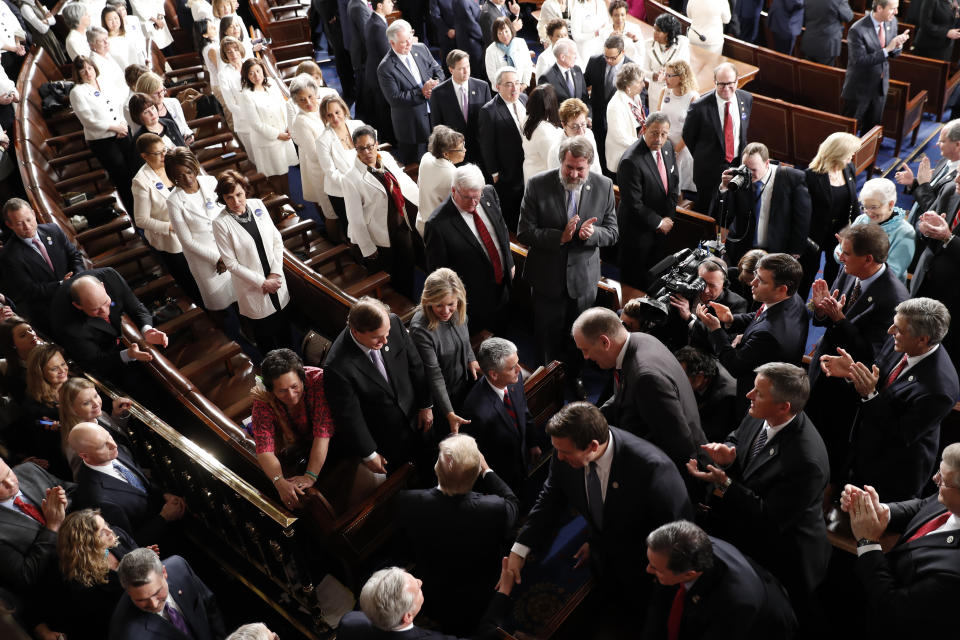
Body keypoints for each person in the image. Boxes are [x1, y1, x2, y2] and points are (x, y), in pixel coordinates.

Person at [507, 402, 692, 608]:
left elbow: (677, 538)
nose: (557, 457)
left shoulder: (654, 471)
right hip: (600, 558)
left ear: (593, 446)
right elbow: (550, 499)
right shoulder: (565, 453)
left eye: (564, 452)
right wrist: (520, 548)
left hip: (642, 571)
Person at [687, 362, 830, 627]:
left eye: (758, 393)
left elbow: (770, 517)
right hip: (748, 533)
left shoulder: (806, 460)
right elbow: (737, 438)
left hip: (784, 557)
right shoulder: (762, 414)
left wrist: (727, 483)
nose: (749, 396)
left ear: (783, 407)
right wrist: (728, 453)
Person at [821, 297, 960, 501]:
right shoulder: (903, 339)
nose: (890, 331)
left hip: (890, 476)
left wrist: (869, 394)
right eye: (894, 324)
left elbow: (899, 433)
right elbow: (880, 378)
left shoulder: (939, 389)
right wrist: (854, 373)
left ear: (923, 339)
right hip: (861, 452)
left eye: (899, 329)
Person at [807, 224, 909, 484]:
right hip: (821, 369)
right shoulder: (849, 270)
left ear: (868, 259)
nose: (840, 257)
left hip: (844, 393)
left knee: (827, 450)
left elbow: (871, 355)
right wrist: (821, 310)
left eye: (847, 253)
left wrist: (839, 319)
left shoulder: (893, 299)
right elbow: (826, 316)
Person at [518, 136, 618, 386]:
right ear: (561, 161)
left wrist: (592, 234)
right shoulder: (537, 184)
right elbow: (524, 232)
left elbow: (613, 232)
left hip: (583, 280)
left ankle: (575, 378)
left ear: (589, 165)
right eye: (569, 167)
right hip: (547, 278)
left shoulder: (604, 185)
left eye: (579, 168)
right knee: (546, 340)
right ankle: (546, 385)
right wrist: (559, 237)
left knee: (580, 339)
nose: (573, 174)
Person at [395, 434, 518, 635]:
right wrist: (486, 470)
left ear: (436, 468)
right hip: (485, 590)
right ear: (475, 474)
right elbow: (513, 502)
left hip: (437, 592)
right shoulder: (493, 508)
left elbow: (404, 545)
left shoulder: (407, 501)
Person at [839, 443, 960, 638]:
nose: (934, 478)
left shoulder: (953, 576)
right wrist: (883, 511)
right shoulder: (950, 497)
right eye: (939, 470)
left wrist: (867, 542)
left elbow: (892, 609)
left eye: (943, 481)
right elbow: (923, 505)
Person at [573, 307, 706, 478]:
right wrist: (592, 416)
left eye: (585, 350)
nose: (585, 357)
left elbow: (677, 442)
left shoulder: (646, 378)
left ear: (605, 342)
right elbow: (625, 392)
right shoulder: (640, 339)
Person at [324, 297, 432, 473]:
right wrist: (369, 454)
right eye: (376, 338)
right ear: (356, 332)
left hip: (417, 416)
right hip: (387, 436)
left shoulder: (394, 323)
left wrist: (426, 404)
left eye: (387, 334)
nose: (385, 342)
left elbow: (415, 364)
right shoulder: (337, 367)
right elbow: (349, 418)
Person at [642, 520, 798, 639]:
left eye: (655, 568)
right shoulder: (678, 549)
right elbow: (659, 607)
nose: (648, 569)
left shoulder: (734, 601)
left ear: (689, 574)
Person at [696, 253, 809, 412]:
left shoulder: (769, 335)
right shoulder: (793, 298)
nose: (752, 282)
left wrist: (715, 329)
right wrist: (731, 319)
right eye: (756, 274)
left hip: (757, 399)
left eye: (761, 280)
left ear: (782, 289)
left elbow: (734, 366)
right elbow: (760, 315)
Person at [424, 164, 514, 335]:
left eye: (477, 196)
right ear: (454, 191)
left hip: (502, 287)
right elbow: (438, 275)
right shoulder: (437, 225)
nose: (474, 203)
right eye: (467, 197)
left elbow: (501, 230)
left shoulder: (489, 193)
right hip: (472, 301)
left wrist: (509, 263)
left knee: (503, 336)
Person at [211, 171, 292, 356]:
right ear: (222, 199)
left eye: (239, 194)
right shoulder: (220, 223)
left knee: (286, 333)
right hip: (253, 287)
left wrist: (276, 273)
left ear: (245, 191)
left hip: (276, 278)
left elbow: (276, 240)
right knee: (268, 343)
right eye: (229, 197)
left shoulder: (257, 204)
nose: (236, 201)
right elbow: (231, 263)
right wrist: (263, 282)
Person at [69, 422, 186, 545]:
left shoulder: (112, 450)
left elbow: (139, 480)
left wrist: (163, 495)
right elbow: (129, 543)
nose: (113, 445)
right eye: (103, 446)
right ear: (85, 456)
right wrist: (164, 517)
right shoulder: (97, 499)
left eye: (109, 436)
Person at [250, 349, 334, 510]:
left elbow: (322, 433)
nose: (290, 395)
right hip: (299, 447)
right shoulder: (263, 401)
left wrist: (310, 476)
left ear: (302, 377)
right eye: (282, 391)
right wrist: (279, 481)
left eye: (294, 386)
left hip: (332, 439)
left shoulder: (318, 380)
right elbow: (264, 449)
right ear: (271, 390)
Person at [339, 563, 514, 640]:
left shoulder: (349, 621)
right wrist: (504, 591)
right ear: (407, 616)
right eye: (417, 588)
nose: (420, 581)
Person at [343, 125, 420, 298]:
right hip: (378, 233)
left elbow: (404, 181)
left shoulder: (385, 157)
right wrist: (367, 247)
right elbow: (354, 218)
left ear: (376, 144)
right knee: (389, 274)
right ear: (355, 149)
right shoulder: (350, 178)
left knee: (408, 265)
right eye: (361, 148)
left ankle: (408, 298)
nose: (367, 152)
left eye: (370, 146)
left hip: (401, 222)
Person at [50, 269, 169, 380]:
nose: (105, 312)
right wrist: (128, 354)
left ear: (103, 286)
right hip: (98, 354)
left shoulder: (110, 276)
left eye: (106, 303)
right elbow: (94, 361)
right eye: (96, 310)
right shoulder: (65, 322)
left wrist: (147, 330)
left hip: (115, 337)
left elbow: (137, 308)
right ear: (78, 306)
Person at [460, 337, 541, 496]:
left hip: (522, 456)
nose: (519, 369)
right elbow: (477, 456)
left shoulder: (515, 381)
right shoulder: (476, 411)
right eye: (512, 367)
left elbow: (524, 412)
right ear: (494, 375)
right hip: (502, 474)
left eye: (518, 362)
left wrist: (532, 443)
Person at [165, 147, 237, 314]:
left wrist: (228, 252)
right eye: (180, 175)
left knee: (241, 292)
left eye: (189, 172)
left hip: (229, 247)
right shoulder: (173, 201)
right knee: (222, 303)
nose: (188, 179)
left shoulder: (211, 182)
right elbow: (186, 241)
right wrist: (218, 259)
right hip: (205, 259)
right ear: (173, 176)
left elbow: (228, 213)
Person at [409, 269, 479, 435]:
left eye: (451, 304)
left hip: (462, 383)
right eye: (439, 305)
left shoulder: (458, 310)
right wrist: (449, 412)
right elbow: (434, 374)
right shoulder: (421, 329)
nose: (446, 311)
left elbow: (465, 339)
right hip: (440, 397)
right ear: (428, 301)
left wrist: (471, 358)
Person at [132, 133, 200, 303]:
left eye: (164, 150)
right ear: (144, 156)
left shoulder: (173, 165)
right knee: (191, 282)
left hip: (196, 229)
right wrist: (171, 226)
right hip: (172, 241)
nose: (164, 156)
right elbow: (141, 220)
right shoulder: (141, 181)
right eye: (158, 153)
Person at [720, 142, 812, 267]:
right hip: (742, 247)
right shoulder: (739, 176)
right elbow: (723, 214)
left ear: (767, 163)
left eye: (753, 170)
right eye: (745, 168)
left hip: (775, 249)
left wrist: (796, 248)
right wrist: (724, 189)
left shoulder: (792, 178)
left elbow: (802, 218)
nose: (748, 173)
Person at [615, 111, 679, 289]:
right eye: (654, 133)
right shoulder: (630, 160)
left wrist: (669, 217)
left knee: (655, 277)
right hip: (637, 233)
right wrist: (659, 222)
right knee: (634, 282)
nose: (659, 138)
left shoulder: (667, 148)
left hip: (661, 228)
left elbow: (673, 184)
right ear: (644, 129)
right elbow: (633, 204)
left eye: (664, 134)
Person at [53, 509, 137, 640]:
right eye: (102, 532)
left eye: (106, 525)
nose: (110, 531)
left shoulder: (116, 534)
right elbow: (112, 618)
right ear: (86, 545)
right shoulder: (82, 584)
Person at [0, 199, 84, 326]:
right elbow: (29, 291)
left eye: (28, 219)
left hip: (79, 293)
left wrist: (78, 278)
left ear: (34, 214)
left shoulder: (53, 230)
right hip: (50, 310)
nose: (27, 227)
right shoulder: (9, 255)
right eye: (19, 223)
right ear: (9, 225)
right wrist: (62, 285)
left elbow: (75, 256)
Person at [682, 63, 753, 214]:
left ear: (737, 81)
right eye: (721, 84)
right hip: (709, 171)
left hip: (737, 165)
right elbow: (688, 136)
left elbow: (743, 132)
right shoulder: (699, 106)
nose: (726, 88)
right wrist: (705, 156)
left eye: (730, 83)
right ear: (715, 82)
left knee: (731, 210)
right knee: (707, 212)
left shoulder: (746, 99)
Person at [111, 548, 225, 640]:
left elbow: (209, 604)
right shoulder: (125, 634)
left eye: (157, 592)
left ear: (164, 573)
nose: (154, 604)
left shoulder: (179, 567)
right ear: (127, 591)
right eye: (141, 600)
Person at [69, 55, 134, 212]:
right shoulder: (77, 92)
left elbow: (121, 103)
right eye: (83, 70)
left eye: (89, 68)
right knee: (122, 178)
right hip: (103, 140)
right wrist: (114, 128)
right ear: (78, 73)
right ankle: (133, 213)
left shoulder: (105, 82)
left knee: (135, 169)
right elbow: (88, 120)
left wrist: (123, 123)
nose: (88, 72)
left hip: (123, 130)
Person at [0, 457, 73, 595]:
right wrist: (52, 527)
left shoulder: (29, 470)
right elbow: (26, 577)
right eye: (0, 484)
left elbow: (73, 490)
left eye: (8, 473)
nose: (11, 483)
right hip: (61, 586)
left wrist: (65, 503)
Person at [377, 19, 445, 164]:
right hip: (412, 127)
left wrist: (436, 83)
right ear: (392, 43)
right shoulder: (385, 68)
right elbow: (394, 98)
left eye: (409, 38)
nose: (409, 44)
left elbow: (437, 69)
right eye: (403, 42)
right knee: (417, 168)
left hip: (435, 118)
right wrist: (422, 91)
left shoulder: (421, 48)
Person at [912, 171, 960, 372]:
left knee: (938, 362)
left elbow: (946, 238)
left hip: (953, 302)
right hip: (924, 280)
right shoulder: (951, 190)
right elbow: (923, 226)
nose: (956, 179)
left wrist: (949, 238)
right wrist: (925, 227)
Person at [804, 131, 860, 294]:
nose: (852, 155)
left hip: (840, 233)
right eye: (849, 152)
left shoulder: (848, 168)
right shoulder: (811, 175)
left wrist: (857, 228)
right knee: (808, 273)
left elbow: (853, 201)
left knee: (834, 272)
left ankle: (826, 306)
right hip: (814, 235)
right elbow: (804, 211)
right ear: (837, 153)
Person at [842, 0, 909, 134]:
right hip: (859, 89)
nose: (896, 12)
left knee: (872, 129)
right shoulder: (857, 30)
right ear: (879, 8)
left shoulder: (892, 21)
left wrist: (898, 46)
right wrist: (887, 49)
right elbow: (860, 61)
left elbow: (893, 54)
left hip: (880, 86)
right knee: (850, 132)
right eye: (893, 9)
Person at [833, 177, 915, 283]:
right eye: (864, 207)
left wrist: (852, 259)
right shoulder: (861, 219)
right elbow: (840, 249)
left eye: (874, 207)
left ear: (890, 204)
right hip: (853, 280)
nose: (868, 212)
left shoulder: (905, 232)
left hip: (881, 288)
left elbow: (893, 272)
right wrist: (841, 253)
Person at [661, 257, 749, 352]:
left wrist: (689, 318)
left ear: (724, 284)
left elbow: (720, 342)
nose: (705, 290)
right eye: (702, 283)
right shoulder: (685, 292)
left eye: (712, 285)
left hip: (705, 359)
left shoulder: (737, 304)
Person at [239, 58, 298, 195]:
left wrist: (288, 127)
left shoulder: (271, 84)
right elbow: (256, 124)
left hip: (284, 133)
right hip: (267, 140)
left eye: (258, 71)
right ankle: (281, 204)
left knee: (284, 171)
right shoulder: (246, 95)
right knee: (274, 174)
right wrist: (278, 135)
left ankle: (289, 201)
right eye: (251, 73)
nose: (256, 76)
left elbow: (284, 106)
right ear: (246, 76)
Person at [478, 66, 527, 228]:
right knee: (512, 211)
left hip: (528, 166)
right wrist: (495, 172)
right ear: (497, 86)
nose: (515, 88)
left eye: (517, 83)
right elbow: (487, 145)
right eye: (509, 84)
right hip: (508, 172)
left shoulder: (525, 99)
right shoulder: (489, 111)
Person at [429, 49, 493, 169]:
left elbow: (489, 120)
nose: (466, 71)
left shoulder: (482, 87)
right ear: (451, 69)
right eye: (461, 68)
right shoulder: (438, 93)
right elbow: (437, 127)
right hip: (455, 153)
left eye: (468, 66)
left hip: (480, 150)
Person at [58, 377, 131, 479]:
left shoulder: (101, 415)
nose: (96, 404)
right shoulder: (76, 444)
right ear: (72, 409)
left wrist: (117, 416)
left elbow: (118, 438)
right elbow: (86, 480)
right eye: (86, 403)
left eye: (96, 396)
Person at [289, 74, 337, 228]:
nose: (308, 102)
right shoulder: (300, 121)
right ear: (296, 101)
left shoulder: (324, 107)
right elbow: (314, 155)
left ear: (316, 93)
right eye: (302, 99)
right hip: (321, 170)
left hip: (336, 163)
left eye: (310, 96)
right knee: (331, 213)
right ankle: (337, 244)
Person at [17, 344, 71, 480]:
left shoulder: (75, 384)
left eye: (63, 364)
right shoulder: (33, 407)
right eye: (54, 368)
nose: (62, 370)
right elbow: (41, 447)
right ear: (40, 373)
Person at [317, 94, 365, 241]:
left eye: (337, 112)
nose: (335, 118)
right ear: (325, 118)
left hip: (365, 182)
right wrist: (354, 185)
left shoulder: (359, 125)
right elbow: (331, 172)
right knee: (352, 228)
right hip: (341, 191)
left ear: (344, 110)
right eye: (329, 115)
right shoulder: (323, 140)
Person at [896, 118, 960, 229]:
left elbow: (936, 214)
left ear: (957, 145)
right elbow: (933, 189)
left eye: (942, 141)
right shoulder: (946, 159)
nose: (937, 143)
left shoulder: (957, 183)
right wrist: (913, 182)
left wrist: (924, 184)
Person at [584, 34, 631, 172]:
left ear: (622, 52)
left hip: (618, 122)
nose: (608, 60)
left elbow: (637, 97)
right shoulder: (595, 61)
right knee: (598, 156)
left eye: (613, 57)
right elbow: (584, 86)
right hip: (597, 120)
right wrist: (588, 112)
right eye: (606, 56)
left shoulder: (631, 67)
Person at [674, 346, 739, 442]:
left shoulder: (725, 397)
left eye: (681, 377)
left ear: (699, 378)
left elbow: (713, 434)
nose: (676, 381)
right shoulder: (704, 366)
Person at [655, 59, 698, 194]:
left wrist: (676, 151)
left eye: (669, 75)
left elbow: (692, 130)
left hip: (681, 148)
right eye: (665, 74)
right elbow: (657, 118)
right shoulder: (664, 91)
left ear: (681, 77)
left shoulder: (692, 97)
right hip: (662, 145)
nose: (665, 78)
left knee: (676, 189)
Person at [415, 125, 466, 236]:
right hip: (438, 230)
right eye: (461, 149)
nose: (465, 150)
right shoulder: (452, 173)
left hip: (421, 222)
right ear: (446, 154)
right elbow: (459, 207)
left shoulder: (426, 156)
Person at [641, 13, 690, 106]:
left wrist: (670, 75)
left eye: (659, 31)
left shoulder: (682, 44)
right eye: (654, 28)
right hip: (656, 91)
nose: (654, 32)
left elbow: (686, 68)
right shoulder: (648, 45)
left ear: (669, 33)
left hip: (675, 90)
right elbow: (643, 69)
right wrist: (654, 76)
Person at [546, 98, 603, 175]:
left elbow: (597, 168)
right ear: (564, 125)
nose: (581, 132)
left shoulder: (589, 134)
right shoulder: (556, 151)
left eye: (583, 124)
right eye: (575, 127)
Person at [364, 0, 394, 140]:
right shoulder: (378, 26)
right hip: (378, 74)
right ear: (380, 5)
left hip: (373, 70)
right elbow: (386, 53)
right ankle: (389, 140)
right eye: (389, 1)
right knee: (383, 109)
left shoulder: (374, 20)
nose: (392, 3)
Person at [521, 84, 563, 184]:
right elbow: (554, 164)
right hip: (543, 181)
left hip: (532, 174)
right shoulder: (544, 133)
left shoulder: (529, 119)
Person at [540, 38, 590, 112]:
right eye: (574, 54)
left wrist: (588, 116)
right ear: (562, 57)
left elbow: (585, 99)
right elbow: (548, 108)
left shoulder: (577, 70)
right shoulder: (546, 78)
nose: (576, 57)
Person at [0, 316, 40, 404]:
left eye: (30, 330)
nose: (32, 334)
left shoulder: (49, 350)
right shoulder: (17, 377)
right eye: (23, 335)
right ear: (12, 344)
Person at [801, 0, 855, 66]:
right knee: (824, 74)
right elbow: (849, 17)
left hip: (809, 41)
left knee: (809, 72)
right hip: (827, 46)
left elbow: (803, 18)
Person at [484, 16, 531, 90]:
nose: (504, 36)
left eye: (506, 31)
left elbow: (527, 65)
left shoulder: (521, 43)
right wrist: (506, 89)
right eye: (500, 33)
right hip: (501, 91)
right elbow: (492, 75)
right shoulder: (490, 50)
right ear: (496, 34)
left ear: (511, 30)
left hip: (520, 88)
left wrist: (524, 84)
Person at [87, 26, 128, 99]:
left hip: (125, 93)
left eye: (106, 38)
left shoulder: (107, 54)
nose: (106, 42)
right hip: (117, 99)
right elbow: (106, 89)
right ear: (92, 45)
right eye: (101, 41)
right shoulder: (94, 62)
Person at [102, 4, 145, 70]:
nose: (114, 22)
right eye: (110, 20)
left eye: (116, 18)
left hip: (140, 68)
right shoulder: (106, 41)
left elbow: (139, 52)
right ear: (104, 22)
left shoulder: (128, 32)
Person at [453, 0, 485, 82]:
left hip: (477, 41)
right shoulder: (462, 2)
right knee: (476, 75)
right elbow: (471, 26)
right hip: (472, 45)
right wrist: (485, 38)